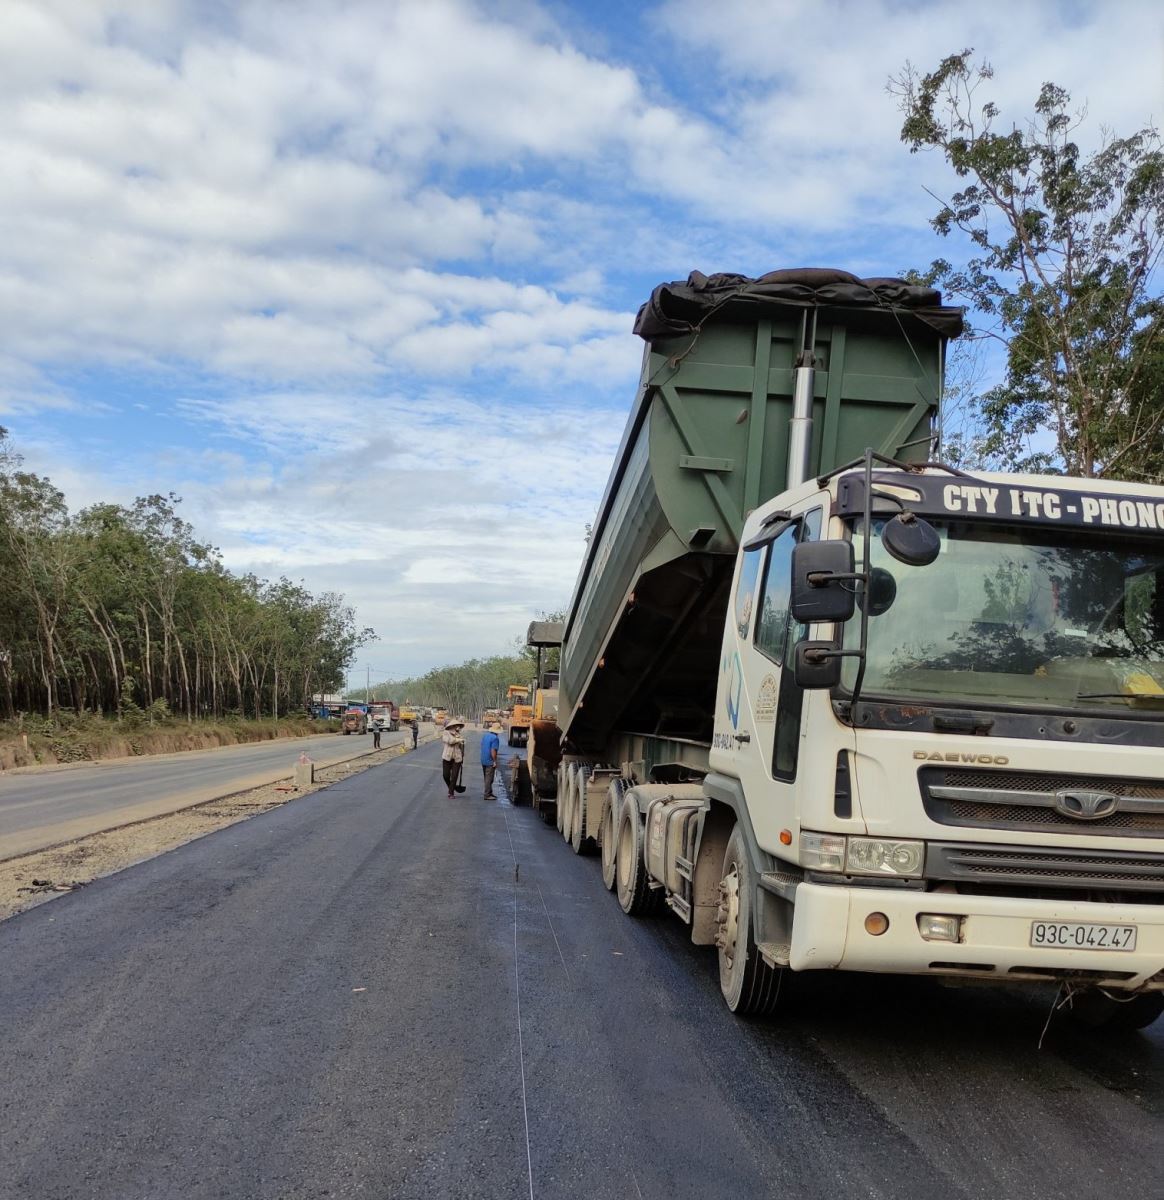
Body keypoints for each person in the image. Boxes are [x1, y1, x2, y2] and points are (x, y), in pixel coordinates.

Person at [441, 717, 466, 797]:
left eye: (458, 725)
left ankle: (451, 792)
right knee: (445, 775)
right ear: (452, 726)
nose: (458, 727)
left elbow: (462, 747)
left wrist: (462, 756)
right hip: (447, 757)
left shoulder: (460, 735)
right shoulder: (446, 733)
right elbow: (450, 741)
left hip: (457, 758)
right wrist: (459, 740)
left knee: (454, 776)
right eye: (456, 725)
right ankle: (452, 787)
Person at [480, 721, 500, 800]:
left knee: (486, 777)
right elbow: (493, 751)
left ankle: (490, 792)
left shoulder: (485, 736)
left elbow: (482, 745)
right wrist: (495, 761)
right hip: (489, 760)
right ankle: (487, 795)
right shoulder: (495, 738)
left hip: (483, 759)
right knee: (489, 778)